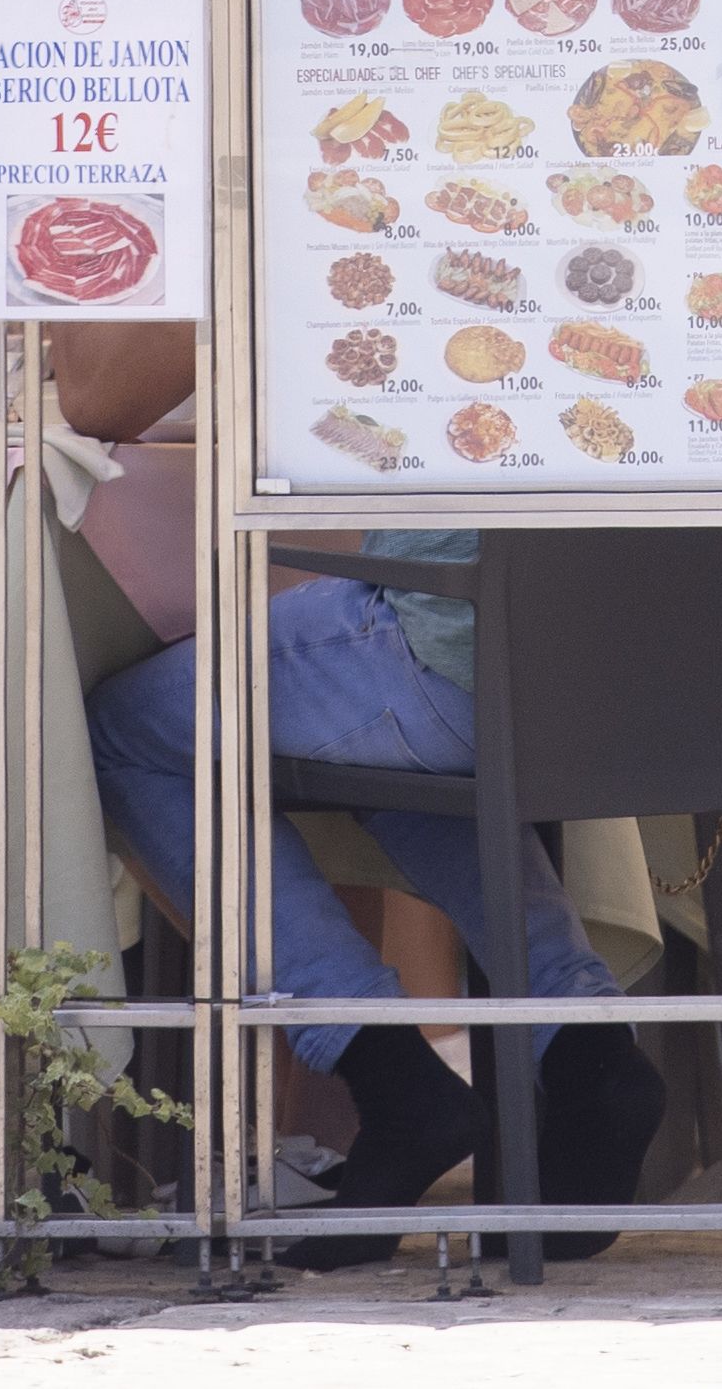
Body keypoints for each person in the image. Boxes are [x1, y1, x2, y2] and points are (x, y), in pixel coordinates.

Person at [68, 321, 664, 1271]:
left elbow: (92, 399)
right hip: (669, 677)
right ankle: (587, 1051)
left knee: (118, 732)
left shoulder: (324, 180)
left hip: (463, 640)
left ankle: (386, 1073)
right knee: (358, 743)